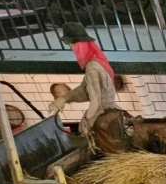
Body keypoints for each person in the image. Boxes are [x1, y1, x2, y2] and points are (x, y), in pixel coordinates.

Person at [48, 22, 126, 151]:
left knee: (113, 151)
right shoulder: (97, 60)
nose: (71, 48)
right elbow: (85, 89)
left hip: (105, 117)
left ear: (78, 45)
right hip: (112, 113)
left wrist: (86, 122)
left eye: (71, 45)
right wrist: (64, 98)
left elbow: (96, 102)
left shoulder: (92, 68)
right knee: (118, 148)